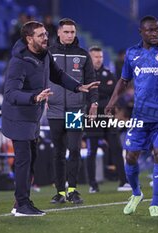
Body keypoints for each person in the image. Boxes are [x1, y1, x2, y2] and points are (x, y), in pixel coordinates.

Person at [1, 21, 99, 217]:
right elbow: (10, 93)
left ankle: (21, 202)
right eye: (40, 35)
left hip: (35, 118)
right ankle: (22, 204)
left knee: (33, 159)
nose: (45, 38)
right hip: (19, 117)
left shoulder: (45, 55)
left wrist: (78, 87)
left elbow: (58, 75)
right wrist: (34, 97)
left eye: (46, 34)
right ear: (29, 39)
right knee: (24, 161)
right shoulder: (19, 61)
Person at [105, 15, 158, 217]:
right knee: (130, 156)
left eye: (157, 30)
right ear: (141, 32)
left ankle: (155, 204)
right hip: (139, 116)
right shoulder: (132, 53)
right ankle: (136, 193)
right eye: (150, 30)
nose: (155, 33)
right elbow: (123, 81)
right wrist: (111, 102)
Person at [47, 18, 98, 204]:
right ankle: (60, 192)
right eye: (66, 32)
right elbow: (38, 78)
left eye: (72, 32)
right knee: (58, 152)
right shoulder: (48, 53)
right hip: (54, 110)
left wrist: (94, 103)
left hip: (76, 110)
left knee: (74, 149)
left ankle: (73, 190)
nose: (70, 35)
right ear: (59, 33)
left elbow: (91, 81)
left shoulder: (83, 55)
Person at [84, 46, 131, 193]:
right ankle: (93, 185)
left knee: (117, 148)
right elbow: (88, 93)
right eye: (96, 57)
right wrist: (103, 92)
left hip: (108, 117)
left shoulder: (108, 73)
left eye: (101, 57)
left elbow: (116, 92)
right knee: (92, 151)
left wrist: (97, 91)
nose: (99, 59)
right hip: (92, 117)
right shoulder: (84, 75)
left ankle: (123, 181)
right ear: (90, 58)